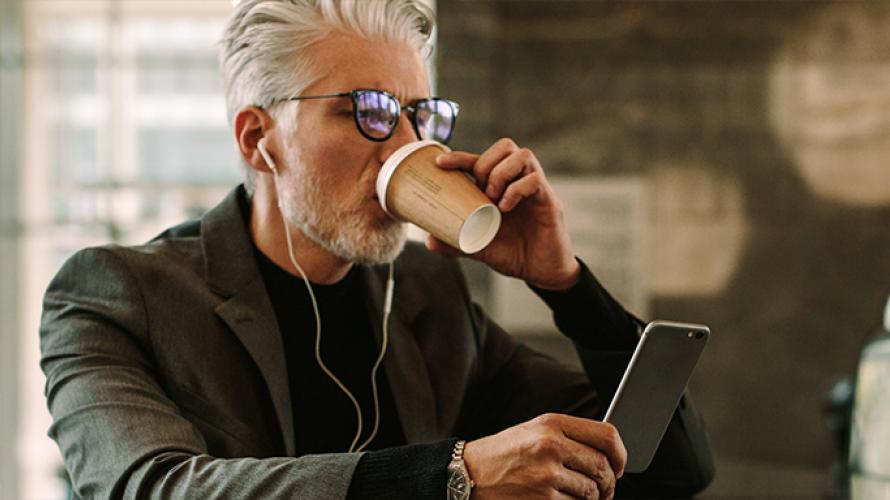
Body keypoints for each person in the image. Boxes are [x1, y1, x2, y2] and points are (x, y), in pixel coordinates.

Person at [39, 1, 714, 498]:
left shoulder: (428, 295)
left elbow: (670, 467)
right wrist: (457, 477)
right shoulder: (118, 295)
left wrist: (564, 283)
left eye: (421, 115)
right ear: (257, 139)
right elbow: (154, 487)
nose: (408, 147)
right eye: (369, 112)